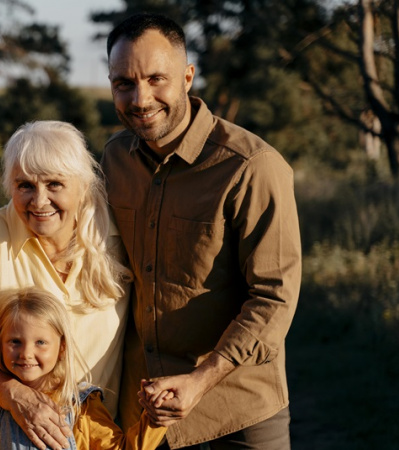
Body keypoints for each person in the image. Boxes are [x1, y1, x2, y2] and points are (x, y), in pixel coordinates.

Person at [102, 13, 301, 449]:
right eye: (124, 83)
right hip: (143, 414)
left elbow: (274, 297)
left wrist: (201, 379)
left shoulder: (251, 167)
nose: (141, 98)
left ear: (188, 77)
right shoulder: (113, 160)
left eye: (157, 79)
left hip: (238, 412)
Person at [0, 120, 130, 450]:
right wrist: (17, 397)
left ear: (82, 186)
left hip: (102, 435)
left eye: (54, 184)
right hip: (13, 435)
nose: (39, 201)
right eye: (25, 186)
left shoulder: (118, 236)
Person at [0, 287, 167, 450]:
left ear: (61, 348)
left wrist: (154, 418)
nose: (26, 353)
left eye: (41, 342)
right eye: (15, 342)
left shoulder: (80, 406)